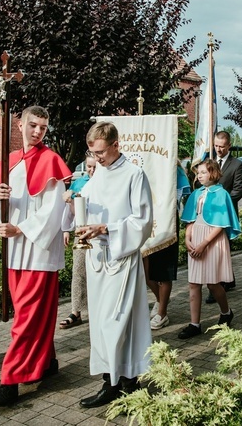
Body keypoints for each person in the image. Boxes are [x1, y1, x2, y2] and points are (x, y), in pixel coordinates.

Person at [0, 106, 72, 407]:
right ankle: (46, 363)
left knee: (25, 320)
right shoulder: (8, 163)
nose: (37, 132)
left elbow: (53, 212)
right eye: (33, 125)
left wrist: (20, 228)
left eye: (43, 128)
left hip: (38, 251)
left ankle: (10, 380)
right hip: (15, 253)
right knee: (33, 316)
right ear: (19, 124)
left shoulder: (51, 162)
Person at [66, 121, 154, 409]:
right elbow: (87, 207)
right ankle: (111, 380)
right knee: (101, 324)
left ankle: (125, 383)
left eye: (101, 152)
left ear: (116, 145)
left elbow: (142, 221)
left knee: (120, 321)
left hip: (121, 258)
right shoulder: (99, 174)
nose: (97, 158)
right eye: (93, 153)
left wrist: (106, 229)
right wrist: (75, 209)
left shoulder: (134, 174)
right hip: (98, 260)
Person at [179, 159, 241, 337]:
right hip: (196, 237)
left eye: (203, 172)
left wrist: (204, 244)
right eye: (198, 172)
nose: (199, 175)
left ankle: (226, 312)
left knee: (213, 284)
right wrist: (187, 238)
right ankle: (194, 324)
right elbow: (191, 218)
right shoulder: (196, 193)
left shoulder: (222, 194)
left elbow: (221, 224)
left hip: (212, 240)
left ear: (213, 173)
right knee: (193, 283)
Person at [145, 164, 191, 331]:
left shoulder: (173, 168)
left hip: (166, 224)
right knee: (145, 272)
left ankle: (162, 313)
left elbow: (177, 198)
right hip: (146, 223)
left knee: (164, 271)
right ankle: (160, 299)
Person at [204, 131, 242, 301]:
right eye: (216, 146)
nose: (218, 149)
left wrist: (222, 201)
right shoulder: (209, 162)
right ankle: (228, 279)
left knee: (220, 249)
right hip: (208, 215)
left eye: (222, 146)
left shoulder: (237, 165)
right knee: (216, 248)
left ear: (228, 146)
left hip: (225, 214)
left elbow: (238, 190)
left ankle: (218, 286)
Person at [59, 154, 97, 329]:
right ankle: (76, 311)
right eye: (89, 166)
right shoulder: (79, 183)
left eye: (95, 167)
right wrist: (67, 228)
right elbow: (69, 209)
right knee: (79, 270)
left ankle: (98, 310)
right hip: (81, 230)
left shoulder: (106, 182)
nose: (92, 170)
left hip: (100, 231)